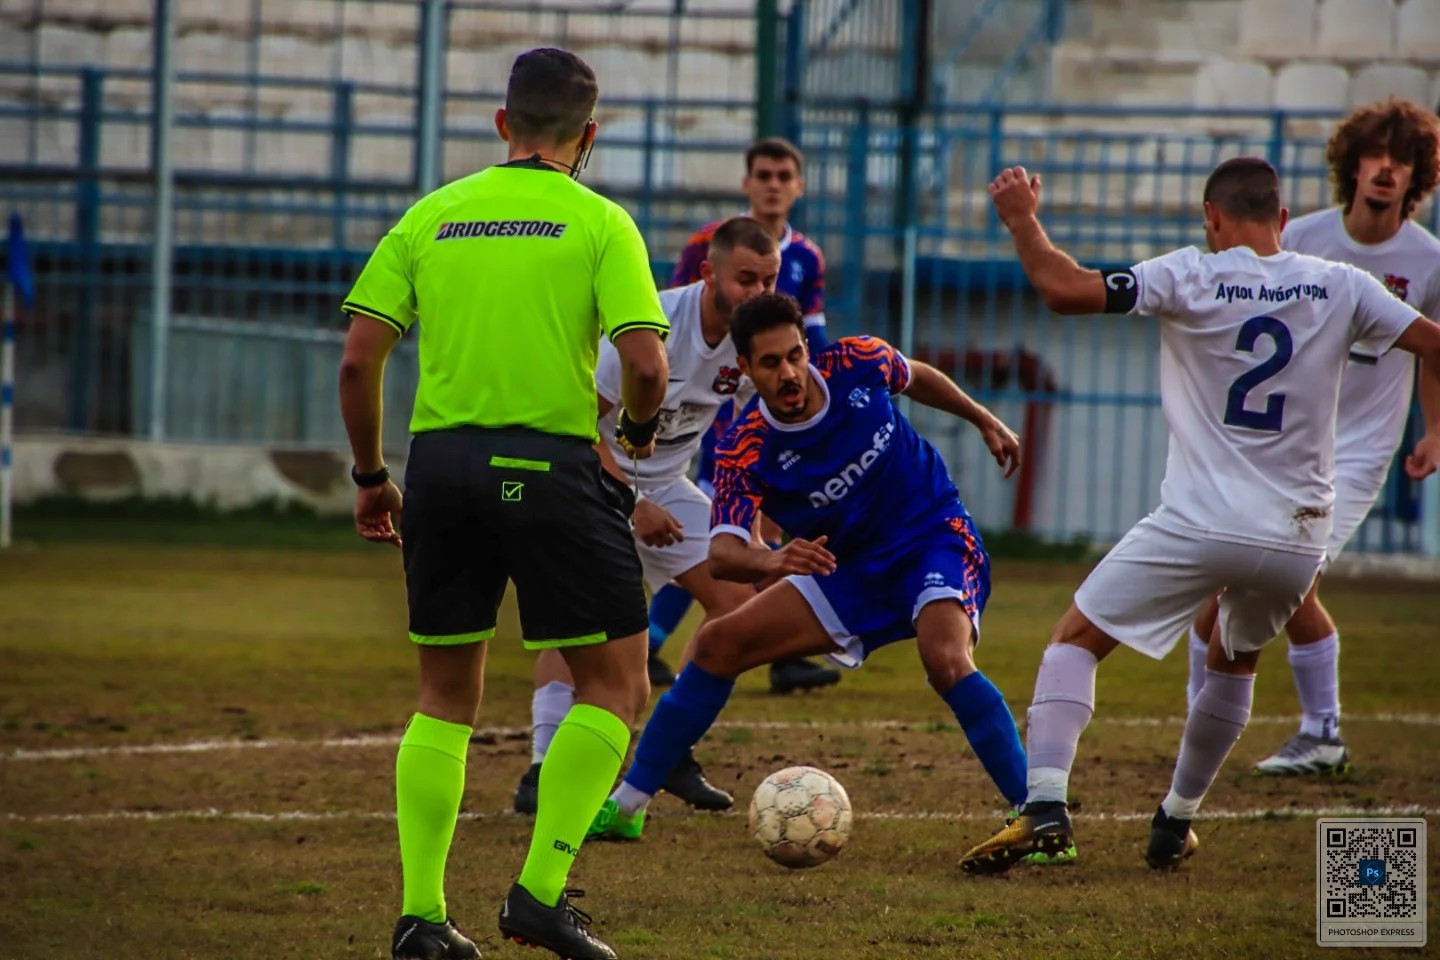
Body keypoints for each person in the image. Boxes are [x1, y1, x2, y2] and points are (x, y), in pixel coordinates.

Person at [959, 158, 1440, 876]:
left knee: (1076, 640)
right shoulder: (1342, 284)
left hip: (1198, 521)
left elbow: (1062, 289)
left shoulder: (1190, 271)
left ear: (1212, 217)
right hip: (1296, 535)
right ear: (1282, 220)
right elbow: (1432, 343)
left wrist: (1023, 219)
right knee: (1234, 657)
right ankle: (1176, 818)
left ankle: (1047, 806)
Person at [339, 48, 670, 960]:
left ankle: (419, 916)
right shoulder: (600, 223)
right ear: (588, 135)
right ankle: (538, 893)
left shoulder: (433, 213)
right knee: (615, 682)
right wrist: (638, 438)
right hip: (548, 466)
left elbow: (359, 358)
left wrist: (373, 477)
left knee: (444, 693)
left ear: (501, 125)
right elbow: (645, 365)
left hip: (440, 467)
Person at [586, 292, 1037, 848]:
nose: (789, 372)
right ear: (745, 370)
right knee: (718, 645)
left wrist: (982, 418)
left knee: (944, 657)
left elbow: (914, 374)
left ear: (807, 350)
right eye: (770, 364)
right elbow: (724, 554)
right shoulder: (744, 449)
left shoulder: (857, 362)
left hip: (932, 538)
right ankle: (628, 804)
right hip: (846, 569)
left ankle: (1036, 812)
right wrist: (773, 559)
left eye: (795, 355)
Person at [1184, 99, 1440, 776]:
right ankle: (1201, 719)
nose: (1386, 169)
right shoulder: (1310, 239)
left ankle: (1322, 732)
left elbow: (1434, 352)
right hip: (1291, 438)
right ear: (1352, 164)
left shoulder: (1428, 260)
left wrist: (1435, 430)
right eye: (1376, 155)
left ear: (1415, 176)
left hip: (1358, 449)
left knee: (1289, 579)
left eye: (1402, 160)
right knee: (1225, 583)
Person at [512, 216, 782, 818]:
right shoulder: (651, 325)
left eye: (769, 282)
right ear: (709, 273)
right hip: (586, 479)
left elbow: (750, 439)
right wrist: (634, 505)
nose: (758, 295)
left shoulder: (752, 343)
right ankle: (541, 768)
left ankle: (669, 752)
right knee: (579, 628)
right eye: (746, 280)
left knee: (741, 605)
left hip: (666, 485)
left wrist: (757, 525)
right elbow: (579, 430)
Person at [649, 136, 842, 696]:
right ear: (747, 183)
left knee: (750, 538)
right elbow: (679, 339)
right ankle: (649, 645)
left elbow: (813, 340)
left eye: (784, 175)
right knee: (723, 539)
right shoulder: (709, 248)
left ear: (798, 187)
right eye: (764, 174)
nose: (774, 184)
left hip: (765, 420)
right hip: (704, 427)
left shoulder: (805, 257)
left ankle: (773, 653)